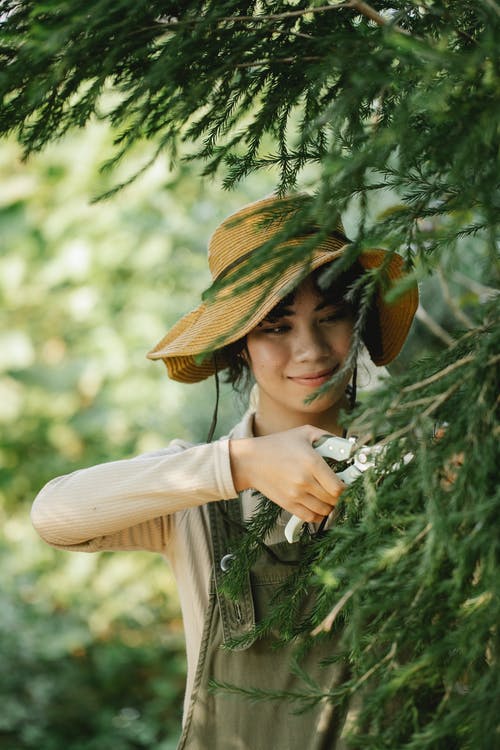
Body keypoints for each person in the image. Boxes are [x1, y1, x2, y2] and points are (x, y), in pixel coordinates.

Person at [31, 194, 418, 749]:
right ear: (240, 348)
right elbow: (54, 515)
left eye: (330, 317)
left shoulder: (414, 466)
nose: (310, 350)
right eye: (276, 329)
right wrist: (239, 464)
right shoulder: (198, 489)